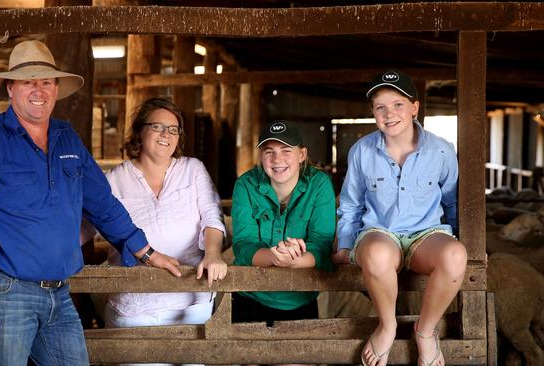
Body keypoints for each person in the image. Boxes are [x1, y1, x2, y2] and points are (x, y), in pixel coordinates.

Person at [0, 40, 179, 366]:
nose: (39, 90)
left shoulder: (67, 138)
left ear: (56, 88)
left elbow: (101, 202)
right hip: (2, 290)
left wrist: (145, 251)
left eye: (46, 81)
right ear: (10, 88)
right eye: (28, 81)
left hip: (58, 294)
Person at [334, 69, 468, 366]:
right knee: (379, 253)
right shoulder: (361, 151)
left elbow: (453, 202)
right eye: (380, 107)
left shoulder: (442, 150)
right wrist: (344, 244)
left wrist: (468, 240)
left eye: (397, 104)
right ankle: (387, 325)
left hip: (427, 235)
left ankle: (425, 331)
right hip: (381, 232)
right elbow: (351, 204)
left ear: (414, 107)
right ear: (372, 112)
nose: (389, 113)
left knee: (456, 256)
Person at [102, 97, 228, 337]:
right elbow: (84, 228)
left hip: (191, 301)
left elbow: (212, 216)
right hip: (134, 307)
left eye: (173, 129)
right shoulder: (114, 180)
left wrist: (213, 254)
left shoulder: (193, 169)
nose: (166, 134)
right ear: (140, 131)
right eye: (157, 126)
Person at [230, 120, 336, 326]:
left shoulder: (319, 184)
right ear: (261, 156)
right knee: (248, 358)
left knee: (293, 360)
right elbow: (243, 244)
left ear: (302, 155)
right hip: (250, 295)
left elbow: (321, 241)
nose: (277, 159)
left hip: (300, 298)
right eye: (269, 151)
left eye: (286, 150)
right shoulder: (245, 184)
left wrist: (298, 260)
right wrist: (273, 256)